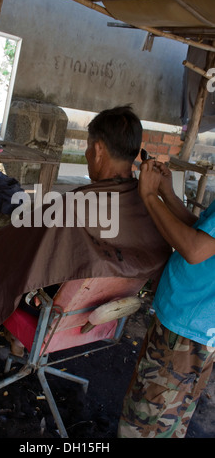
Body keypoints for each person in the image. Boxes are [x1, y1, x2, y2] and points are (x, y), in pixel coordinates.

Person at [0, 106, 171, 367]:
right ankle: (18, 341)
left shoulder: (75, 205)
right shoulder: (150, 207)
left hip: (54, 312)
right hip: (97, 314)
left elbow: (19, 250)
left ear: (97, 150)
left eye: (87, 148)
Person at [118, 158, 215, 438]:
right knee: (167, 421)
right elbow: (202, 235)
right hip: (194, 329)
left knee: (145, 424)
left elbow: (195, 250)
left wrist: (149, 196)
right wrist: (166, 195)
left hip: (185, 331)